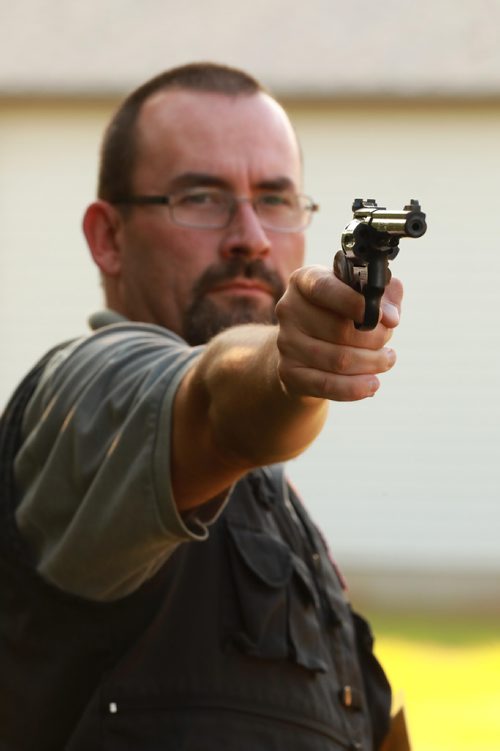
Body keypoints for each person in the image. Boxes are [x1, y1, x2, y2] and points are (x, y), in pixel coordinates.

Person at [0, 62, 403, 751]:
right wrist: (285, 367)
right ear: (109, 237)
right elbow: (218, 401)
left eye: (275, 200)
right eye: (200, 197)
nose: (249, 235)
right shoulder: (86, 398)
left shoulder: (282, 513)